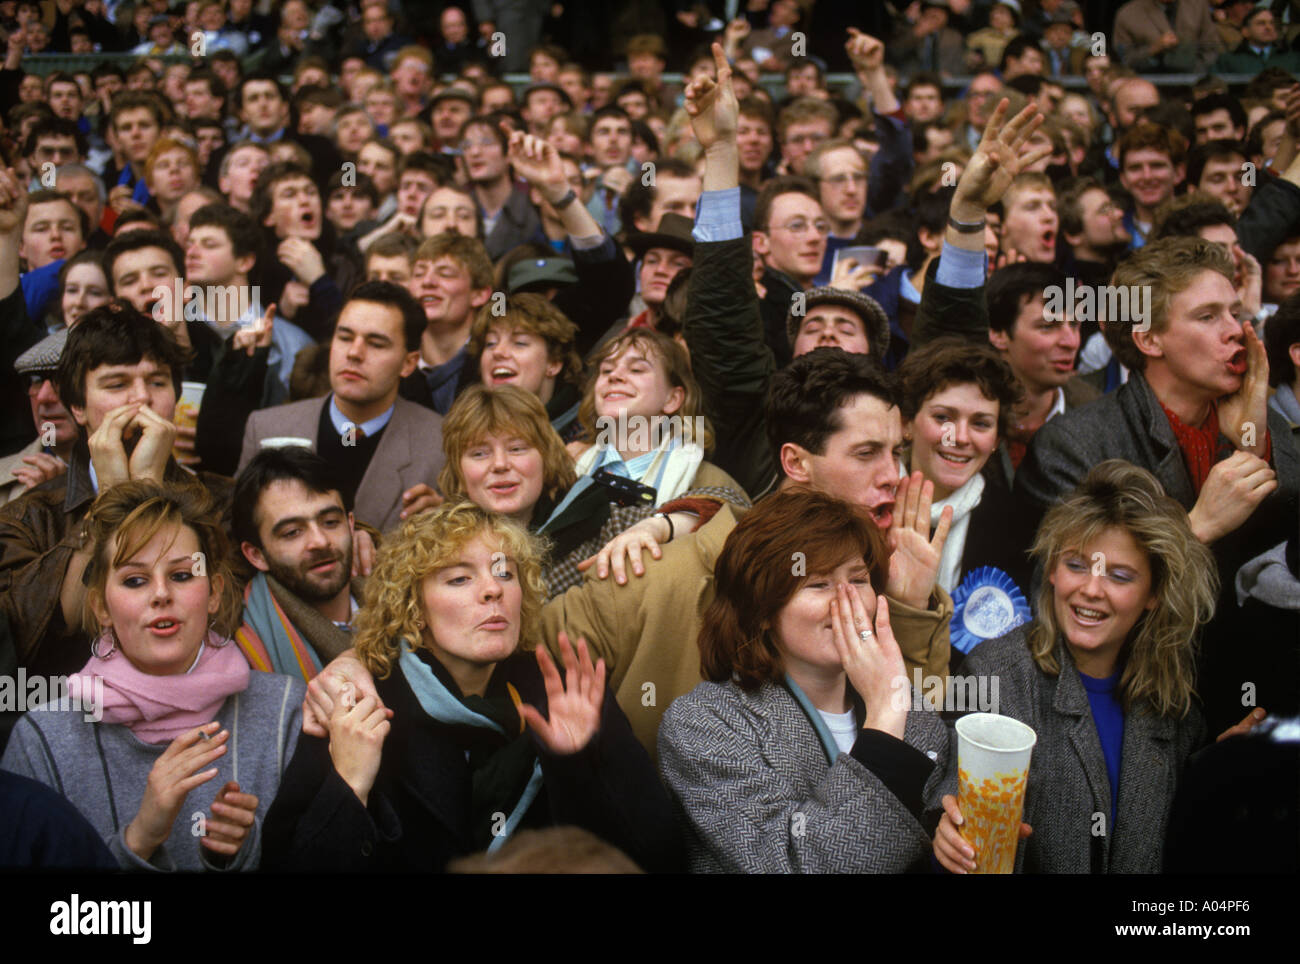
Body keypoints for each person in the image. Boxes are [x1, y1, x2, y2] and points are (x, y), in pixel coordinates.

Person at [260, 500, 681, 872]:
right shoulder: (360, 706)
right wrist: (350, 786)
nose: (493, 590)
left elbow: (657, 857)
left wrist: (576, 764)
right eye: (459, 579)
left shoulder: (566, 692)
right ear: (415, 607)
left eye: (505, 574)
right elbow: (286, 861)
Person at [932, 461, 1264, 873]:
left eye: (1119, 576)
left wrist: (1214, 770)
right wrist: (946, 833)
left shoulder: (1172, 699)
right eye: (1076, 565)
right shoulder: (995, 672)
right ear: (1052, 570)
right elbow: (950, 796)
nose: (1091, 589)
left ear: (1154, 594)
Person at [0, 480, 305, 871]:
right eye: (134, 580)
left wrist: (240, 854)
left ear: (213, 593)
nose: (161, 594)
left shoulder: (286, 711)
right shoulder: (41, 739)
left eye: (181, 575)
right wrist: (140, 838)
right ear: (101, 607)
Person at [658, 486, 950, 872]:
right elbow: (793, 865)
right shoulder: (703, 725)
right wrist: (883, 722)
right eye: (818, 584)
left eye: (859, 580)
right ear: (761, 609)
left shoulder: (912, 709)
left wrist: (953, 835)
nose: (847, 602)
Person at [438, 383, 743, 599]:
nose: (500, 464)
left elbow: (730, 504)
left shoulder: (598, 518)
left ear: (546, 457)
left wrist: (660, 524)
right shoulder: (433, 549)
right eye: (479, 453)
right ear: (459, 471)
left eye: (517, 448)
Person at [238, 282, 444, 533]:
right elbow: (236, 536)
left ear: (408, 363)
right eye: (345, 337)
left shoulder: (441, 445)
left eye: (376, 343)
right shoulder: (266, 429)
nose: (354, 353)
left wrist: (446, 525)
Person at [896, 338, 1029, 659]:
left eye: (981, 423)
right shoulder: (866, 504)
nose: (961, 437)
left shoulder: (1017, 527)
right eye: (943, 417)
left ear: (996, 440)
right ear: (906, 424)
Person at [232, 447, 364, 680]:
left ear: (351, 524)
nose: (320, 541)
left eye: (331, 522)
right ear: (256, 555)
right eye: (292, 532)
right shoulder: (239, 650)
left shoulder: (404, 607)